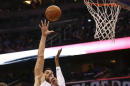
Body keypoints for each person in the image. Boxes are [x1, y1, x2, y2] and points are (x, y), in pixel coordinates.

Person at [34, 20, 65, 86]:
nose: (50, 74)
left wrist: (56, 85)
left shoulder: (60, 84)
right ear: (43, 75)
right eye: (47, 73)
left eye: (51, 73)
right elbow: (40, 56)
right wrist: (43, 36)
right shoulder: (39, 81)